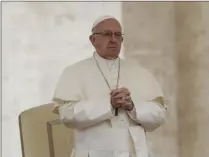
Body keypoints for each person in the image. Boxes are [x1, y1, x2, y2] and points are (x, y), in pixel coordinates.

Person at [52, 15, 167, 157]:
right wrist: (108, 104)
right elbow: (67, 115)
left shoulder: (139, 72)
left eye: (118, 35)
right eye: (107, 34)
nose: (113, 39)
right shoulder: (74, 72)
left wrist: (132, 105)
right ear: (93, 40)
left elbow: (160, 115)